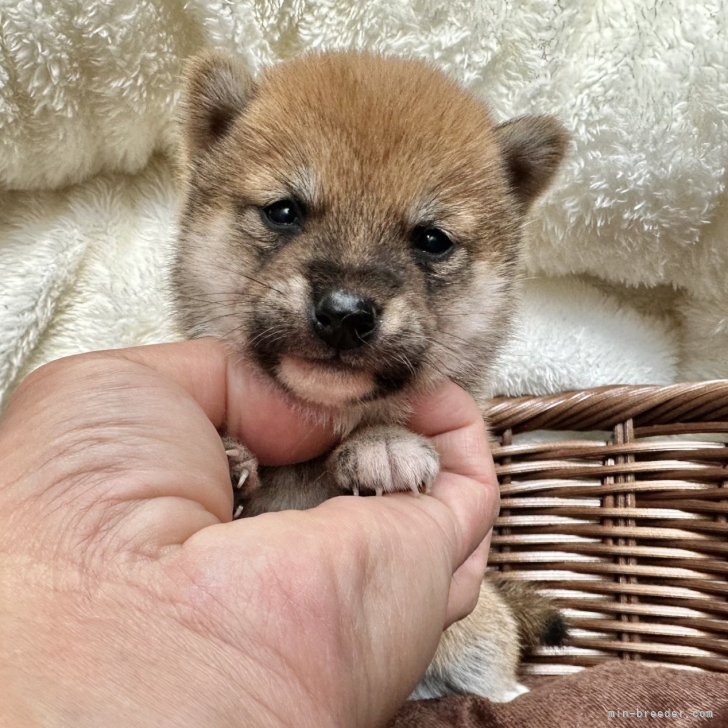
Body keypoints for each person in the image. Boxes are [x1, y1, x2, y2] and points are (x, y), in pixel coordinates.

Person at [0, 339, 499, 727]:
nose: (345, 303)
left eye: (430, 244)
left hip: (433, 647)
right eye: (284, 215)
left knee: (484, 638)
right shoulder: (188, 397)